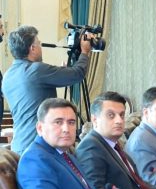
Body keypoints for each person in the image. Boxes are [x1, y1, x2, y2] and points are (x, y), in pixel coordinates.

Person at [2, 25, 92, 153]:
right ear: (32, 48)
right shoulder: (36, 70)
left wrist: (61, 73)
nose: (41, 47)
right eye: (39, 43)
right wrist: (85, 52)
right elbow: (78, 74)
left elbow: (33, 91)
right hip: (39, 145)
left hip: (19, 145)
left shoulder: (8, 76)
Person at [76, 92, 156, 189]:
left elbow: (140, 183)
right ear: (95, 119)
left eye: (121, 115)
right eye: (111, 115)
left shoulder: (114, 145)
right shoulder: (90, 147)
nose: (119, 121)